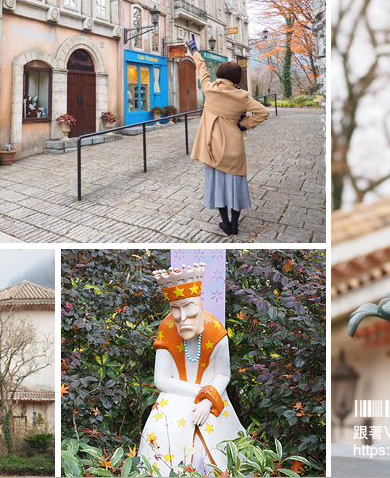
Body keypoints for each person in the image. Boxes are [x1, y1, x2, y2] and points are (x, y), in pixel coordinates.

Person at [138, 264, 246, 476]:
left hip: (212, 403)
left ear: (198, 304)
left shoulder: (215, 330)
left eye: (187, 307)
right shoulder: (166, 330)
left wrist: (209, 400)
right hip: (173, 403)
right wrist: (202, 394)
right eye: (175, 309)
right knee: (163, 448)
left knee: (222, 450)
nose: (182, 317)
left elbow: (223, 374)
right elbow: (161, 380)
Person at [186, 36, 269, 236]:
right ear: (237, 78)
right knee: (236, 186)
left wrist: (195, 50)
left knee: (219, 187)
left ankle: (225, 223)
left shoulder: (210, 89)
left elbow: (202, 70)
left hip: (213, 148)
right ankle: (235, 225)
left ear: (220, 74)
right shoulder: (243, 96)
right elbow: (263, 112)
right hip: (234, 148)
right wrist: (243, 125)